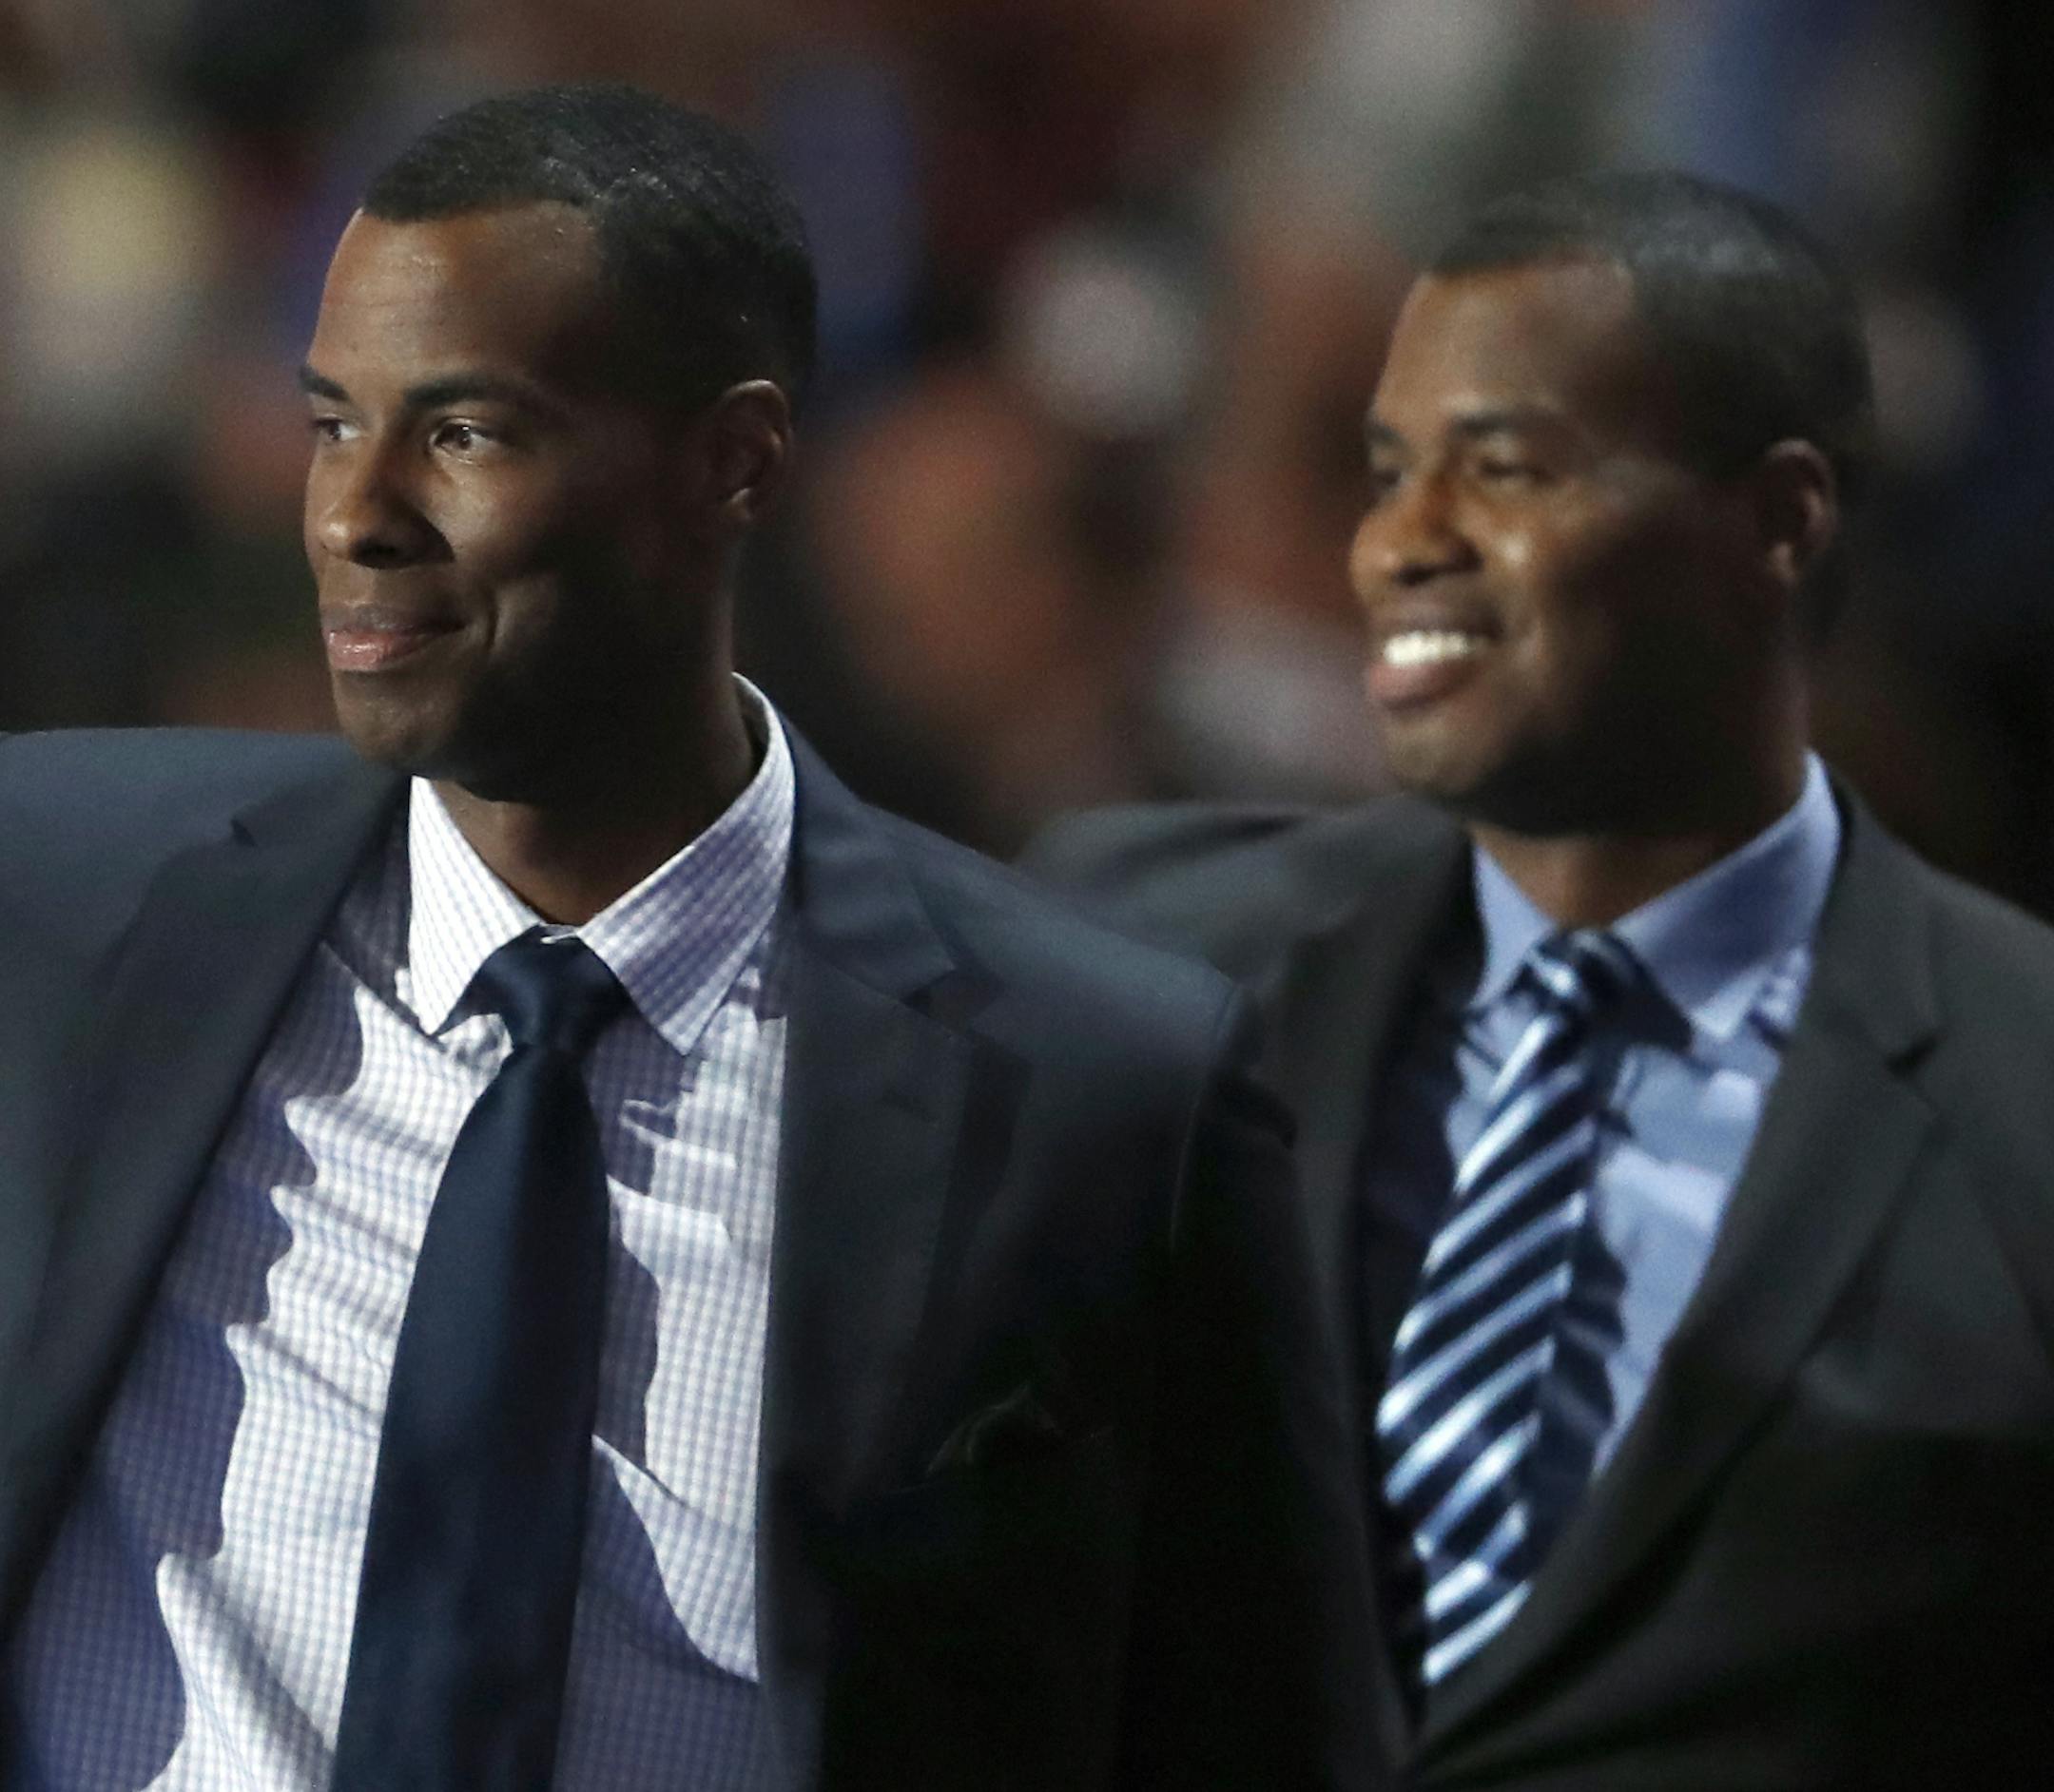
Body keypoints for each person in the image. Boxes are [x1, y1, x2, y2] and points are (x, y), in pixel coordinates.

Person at [0, 85, 1373, 1791]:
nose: (355, 511)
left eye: (467, 433)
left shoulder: (1102, 1092)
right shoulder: (55, 896)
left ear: (736, 461)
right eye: (330, 422)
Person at [1030, 170, 2054, 1787]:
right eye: (1382, 471)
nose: (1403, 546)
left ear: (1777, 522)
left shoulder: (2022, 1091)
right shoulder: (1125, 955)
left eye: (1503, 468)